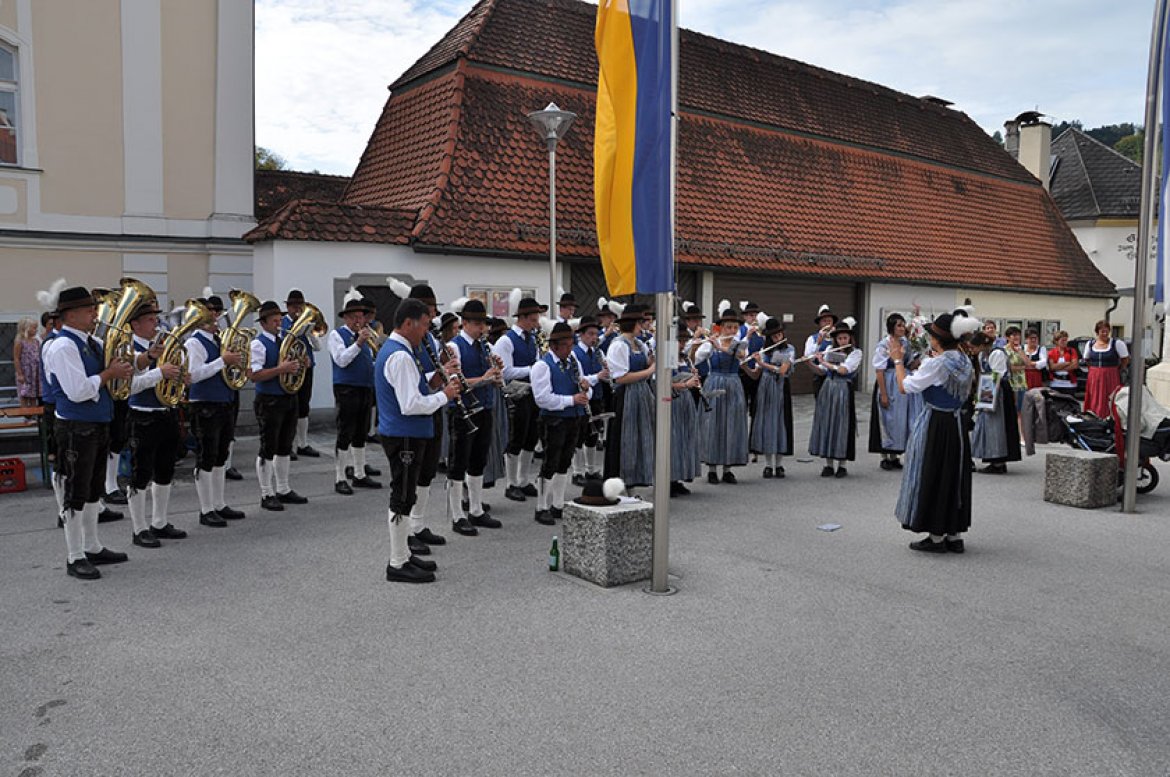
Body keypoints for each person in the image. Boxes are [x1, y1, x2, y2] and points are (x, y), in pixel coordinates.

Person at [42, 284, 135, 580]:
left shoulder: (91, 342)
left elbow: (110, 377)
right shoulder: (63, 346)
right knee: (76, 492)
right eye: (89, 310)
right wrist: (109, 374)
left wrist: (140, 363)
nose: (96, 314)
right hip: (75, 427)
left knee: (94, 491)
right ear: (70, 315)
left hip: (96, 423)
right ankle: (74, 555)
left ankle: (93, 546)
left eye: (95, 308)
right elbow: (78, 391)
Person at [375, 298, 459, 584]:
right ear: (409, 323)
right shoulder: (399, 355)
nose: (426, 331)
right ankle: (397, 562)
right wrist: (444, 396)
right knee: (401, 496)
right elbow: (410, 404)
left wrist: (435, 381)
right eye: (424, 325)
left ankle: (403, 555)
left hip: (406, 433)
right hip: (404, 434)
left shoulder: (401, 351)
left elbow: (413, 388)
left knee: (406, 495)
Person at [888, 310, 979, 553]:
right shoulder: (964, 360)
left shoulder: (937, 364)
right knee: (953, 474)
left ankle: (936, 536)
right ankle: (954, 534)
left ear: (937, 339)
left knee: (934, 473)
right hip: (957, 423)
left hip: (937, 422)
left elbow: (906, 386)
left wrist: (898, 361)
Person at [124, 299, 187, 547]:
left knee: (165, 471)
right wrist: (160, 372)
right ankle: (139, 528)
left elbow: (172, 377)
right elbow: (130, 386)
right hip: (142, 415)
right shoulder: (128, 350)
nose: (156, 323)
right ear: (136, 324)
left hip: (166, 412)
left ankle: (159, 522)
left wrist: (180, 377)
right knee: (141, 474)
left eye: (156, 319)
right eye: (151, 320)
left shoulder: (164, 345)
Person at [184, 293, 246, 527]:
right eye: (209, 313)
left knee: (221, 456)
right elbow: (194, 375)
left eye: (215, 313)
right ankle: (205, 508)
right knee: (206, 456)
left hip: (224, 401)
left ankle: (219, 503)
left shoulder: (218, 340)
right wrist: (223, 360)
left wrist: (236, 363)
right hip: (205, 404)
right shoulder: (194, 342)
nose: (215, 317)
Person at [444, 298, 503, 535]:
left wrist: (498, 376)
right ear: (465, 323)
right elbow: (454, 383)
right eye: (478, 324)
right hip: (462, 411)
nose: (483, 329)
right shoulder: (454, 347)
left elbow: (492, 377)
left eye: (484, 325)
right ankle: (457, 515)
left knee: (478, 461)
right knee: (459, 463)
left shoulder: (484, 346)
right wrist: (485, 379)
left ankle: (476, 509)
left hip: (484, 409)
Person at [531, 322, 591, 523]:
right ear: (554, 346)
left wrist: (585, 389)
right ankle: (541, 506)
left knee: (564, 462)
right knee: (550, 462)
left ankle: (557, 504)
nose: (570, 348)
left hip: (573, 417)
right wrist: (571, 400)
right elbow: (542, 399)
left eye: (571, 344)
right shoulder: (542, 365)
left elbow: (584, 387)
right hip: (553, 419)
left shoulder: (573, 362)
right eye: (565, 345)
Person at [492, 290, 547, 502]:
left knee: (531, 438)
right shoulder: (506, 341)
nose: (536, 323)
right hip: (515, 394)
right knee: (516, 439)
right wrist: (533, 369)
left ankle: (524, 480)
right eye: (533, 320)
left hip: (532, 392)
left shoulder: (532, 338)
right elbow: (505, 372)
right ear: (522, 318)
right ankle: (511, 483)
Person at [326, 293, 381, 495]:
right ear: (346, 318)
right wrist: (358, 343)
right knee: (345, 432)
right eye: (355, 317)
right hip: (346, 388)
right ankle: (340, 477)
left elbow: (369, 361)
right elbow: (341, 360)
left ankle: (359, 474)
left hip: (365, 387)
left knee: (361, 432)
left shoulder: (366, 336)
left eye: (361, 316)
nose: (359, 320)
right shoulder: (336, 335)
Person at [694, 303, 749, 484]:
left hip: (733, 383)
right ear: (721, 327)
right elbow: (694, 359)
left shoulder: (739, 344)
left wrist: (721, 346)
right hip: (714, 382)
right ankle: (711, 468)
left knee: (731, 424)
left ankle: (727, 468)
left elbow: (740, 355)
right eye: (728, 327)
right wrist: (699, 342)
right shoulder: (711, 343)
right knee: (713, 424)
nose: (732, 330)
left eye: (735, 327)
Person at [602, 305, 656, 488]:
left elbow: (647, 362)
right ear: (633, 324)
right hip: (627, 396)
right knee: (625, 437)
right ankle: (621, 483)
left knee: (641, 436)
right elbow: (620, 377)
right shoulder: (618, 345)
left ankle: (636, 479)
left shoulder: (639, 344)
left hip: (641, 393)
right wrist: (649, 371)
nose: (644, 326)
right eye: (641, 323)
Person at [807, 320, 863, 477]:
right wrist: (810, 362)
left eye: (845, 338)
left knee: (842, 425)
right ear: (836, 339)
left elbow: (845, 370)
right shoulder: (830, 349)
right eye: (840, 338)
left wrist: (825, 361)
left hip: (843, 389)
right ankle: (828, 464)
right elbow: (822, 371)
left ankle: (842, 465)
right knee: (827, 423)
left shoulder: (855, 353)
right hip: (828, 389)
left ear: (850, 339)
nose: (843, 341)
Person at [868, 313, 916, 470]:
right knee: (888, 417)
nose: (902, 328)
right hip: (889, 381)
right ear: (892, 328)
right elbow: (879, 370)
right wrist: (883, 393)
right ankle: (885, 454)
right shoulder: (884, 345)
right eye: (899, 325)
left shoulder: (905, 343)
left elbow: (908, 363)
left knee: (900, 419)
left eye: (903, 325)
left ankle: (895, 454)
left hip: (902, 381)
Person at [748, 318, 795, 478]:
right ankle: (768, 465)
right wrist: (745, 365)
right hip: (766, 389)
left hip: (781, 388)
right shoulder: (763, 350)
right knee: (767, 424)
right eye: (774, 335)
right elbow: (755, 375)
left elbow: (782, 370)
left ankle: (779, 464)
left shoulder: (789, 349)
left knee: (781, 423)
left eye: (780, 334)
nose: (778, 337)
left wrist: (763, 364)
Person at [970, 332, 1022, 473]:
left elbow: (996, 375)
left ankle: (999, 461)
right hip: (989, 388)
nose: (972, 350)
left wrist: (985, 398)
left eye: (974, 347)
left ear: (981, 345)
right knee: (989, 425)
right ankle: (993, 458)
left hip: (998, 391)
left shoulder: (997, 353)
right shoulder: (982, 355)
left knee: (998, 426)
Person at [282, 289, 323, 460]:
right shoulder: (282, 322)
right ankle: (287, 445)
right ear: (288, 307)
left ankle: (302, 444)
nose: (297, 309)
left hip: (306, 368)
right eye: (293, 306)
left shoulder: (308, 323)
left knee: (304, 406)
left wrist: (309, 333)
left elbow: (318, 347)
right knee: (290, 408)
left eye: (299, 306)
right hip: (290, 368)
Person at [570, 316, 609, 485]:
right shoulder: (574, 353)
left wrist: (608, 375)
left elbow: (605, 371)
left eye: (596, 334)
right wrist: (597, 377)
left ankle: (591, 470)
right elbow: (578, 377)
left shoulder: (598, 352)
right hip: (581, 397)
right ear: (581, 335)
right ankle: (577, 472)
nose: (594, 338)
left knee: (593, 434)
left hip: (597, 396)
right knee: (579, 435)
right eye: (591, 334)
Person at [669, 323, 702, 495]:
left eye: (684, 341)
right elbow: (662, 382)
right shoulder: (668, 357)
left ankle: (679, 477)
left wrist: (693, 377)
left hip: (686, 400)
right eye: (679, 341)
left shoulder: (685, 358)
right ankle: (669, 480)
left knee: (685, 438)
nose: (682, 344)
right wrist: (685, 383)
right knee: (673, 440)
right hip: (672, 401)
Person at [1082, 319, 1129, 418]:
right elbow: (1086, 359)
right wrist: (1095, 370)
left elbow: (1125, 359)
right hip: (1094, 375)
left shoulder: (1117, 343)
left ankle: (1110, 419)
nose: (1105, 333)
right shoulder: (1090, 344)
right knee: (1094, 396)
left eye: (1107, 331)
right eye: (1102, 331)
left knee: (1109, 397)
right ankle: (1094, 418)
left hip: (1110, 375)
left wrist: (1117, 370)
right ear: (1097, 332)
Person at [804, 304, 839, 396]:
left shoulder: (838, 338)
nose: (827, 323)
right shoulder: (812, 338)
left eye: (829, 321)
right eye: (824, 321)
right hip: (820, 375)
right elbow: (808, 358)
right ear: (819, 324)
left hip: (837, 375)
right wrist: (818, 343)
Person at [13, 316, 40, 407]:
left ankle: (33, 415)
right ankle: (26, 416)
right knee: (24, 394)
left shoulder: (36, 341)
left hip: (34, 371)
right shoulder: (20, 342)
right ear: (26, 329)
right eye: (34, 328)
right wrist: (19, 373)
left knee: (33, 394)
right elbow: (16, 358)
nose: (36, 330)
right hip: (25, 371)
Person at [1002, 326, 1028, 413]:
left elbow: (1028, 364)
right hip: (1012, 384)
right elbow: (1009, 368)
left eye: (1018, 335)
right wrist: (1022, 367)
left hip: (1022, 384)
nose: (1017, 337)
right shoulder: (1004, 350)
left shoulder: (1021, 349)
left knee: (1021, 411)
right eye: (1014, 335)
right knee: (1013, 410)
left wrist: (1020, 352)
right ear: (1008, 337)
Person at [1046, 330, 1079, 395]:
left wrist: (1058, 367)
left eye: (1066, 340)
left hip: (1070, 383)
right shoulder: (1051, 352)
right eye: (1062, 340)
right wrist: (1066, 363)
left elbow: (1075, 365)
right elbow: (1052, 367)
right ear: (1056, 341)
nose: (1065, 342)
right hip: (1056, 383)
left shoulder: (1072, 351)